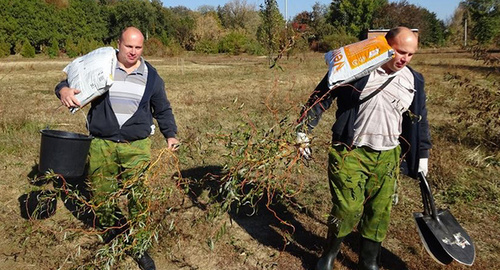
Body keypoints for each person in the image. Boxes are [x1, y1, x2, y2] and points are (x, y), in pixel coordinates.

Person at [297, 26, 431, 270]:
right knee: (347, 208)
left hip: (389, 155)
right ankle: (329, 254)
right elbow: (321, 96)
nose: (405, 59)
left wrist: (422, 156)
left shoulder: (414, 79)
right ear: (385, 44)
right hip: (351, 151)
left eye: (411, 54)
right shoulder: (356, 69)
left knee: (379, 211)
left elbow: (419, 119)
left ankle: (369, 261)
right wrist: (303, 130)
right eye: (400, 51)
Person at [55, 26, 179, 270]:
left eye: (138, 47)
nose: (133, 52)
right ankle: (114, 234)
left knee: (139, 197)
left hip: (137, 146)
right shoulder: (102, 66)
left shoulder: (151, 76)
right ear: (119, 44)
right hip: (102, 145)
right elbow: (66, 82)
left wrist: (170, 134)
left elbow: (162, 108)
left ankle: (139, 245)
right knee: (102, 194)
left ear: (143, 48)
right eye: (128, 46)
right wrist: (64, 90)